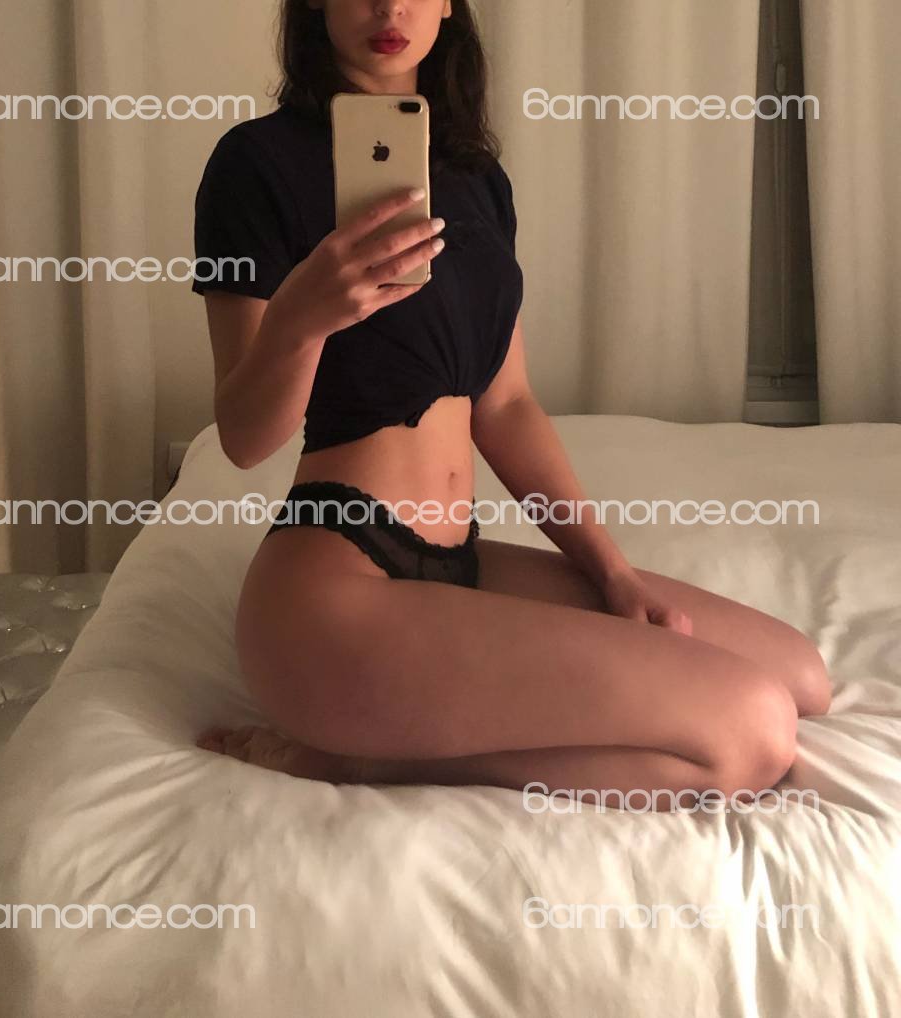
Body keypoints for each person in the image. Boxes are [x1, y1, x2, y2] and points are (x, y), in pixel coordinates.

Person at [192, 0, 830, 806]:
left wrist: (611, 574)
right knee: (755, 730)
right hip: (333, 588)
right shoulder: (253, 163)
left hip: (456, 563)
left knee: (802, 679)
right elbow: (245, 436)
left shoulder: (477, 179)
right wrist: (301, 320)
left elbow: (507, 405)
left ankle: (377, 749)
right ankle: (357, 762)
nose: (390, 7)